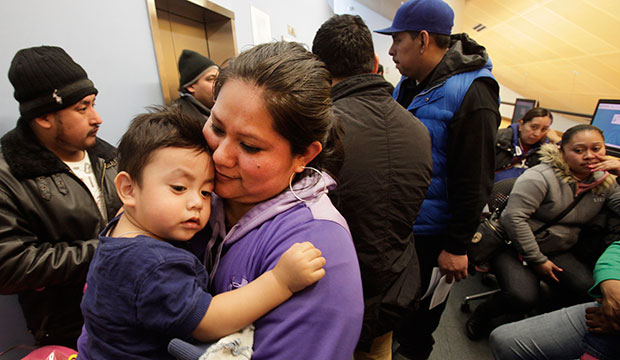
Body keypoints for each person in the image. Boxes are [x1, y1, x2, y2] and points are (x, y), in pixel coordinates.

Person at [76, 106, 326, 359]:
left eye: (206, 192)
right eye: (179, 187)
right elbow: (207, 321)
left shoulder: (119, 233)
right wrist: (280, 281)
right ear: (128, 189)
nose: (197, 202)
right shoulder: (151, 263)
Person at [200, 41, 364, 360]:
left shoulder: (317, 249)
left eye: (249, 147)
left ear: (304, 154)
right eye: (217, 127)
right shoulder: (202, 193)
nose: (219, 155)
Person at [374, 0, 501, 358]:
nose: (392, 50)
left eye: (397, 40)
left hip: (436, 238)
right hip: (406, 227)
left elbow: (475, 178)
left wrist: (458, 246)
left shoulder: (473, 92)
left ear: (423, 39)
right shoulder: (409, 84)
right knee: (396, 312)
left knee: (418, 326)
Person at [312, 14, 432, 360]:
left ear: (319, 69)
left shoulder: (322, 130)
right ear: (376, 63)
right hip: (396, 285)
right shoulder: (418, 130)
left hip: (333, 293)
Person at [0, 45, 122, 348]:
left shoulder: (109, 157)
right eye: (82, 108)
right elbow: (9, 266)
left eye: (94, 103)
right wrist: (107, 249)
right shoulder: (9, 175)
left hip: (127, 311)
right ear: (43, 118)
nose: (97, 118)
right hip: (69, 330)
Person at [466, 124, 620, 341]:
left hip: (557, 249)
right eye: (578, 150)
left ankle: (544, 325)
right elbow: (513, 218)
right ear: (561, 151)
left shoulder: (605, 182)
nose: (589, 156)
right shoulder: (540, 176)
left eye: (597, 149)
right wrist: (537, 259)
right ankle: (483, 314)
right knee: (522, 297)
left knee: (587, 289)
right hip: (514, 246)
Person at [489, 239, 620, 360]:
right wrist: (611, 286)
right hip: (607, 310)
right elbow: (616, 250)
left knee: (581, 285)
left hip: (612, 325)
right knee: (504, 341)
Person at [495, 107, 554, 182]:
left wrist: (557, 140)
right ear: (521, 125)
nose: (537, 134)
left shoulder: (545, 150)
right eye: (534, 127)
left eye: (544, 129)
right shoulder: (498, 139)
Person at [172, 49, 219, 126]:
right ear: (190, 86)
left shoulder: (217, 108)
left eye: (218, 78)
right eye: (211, 79)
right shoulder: (179, 118)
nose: (218, 83)